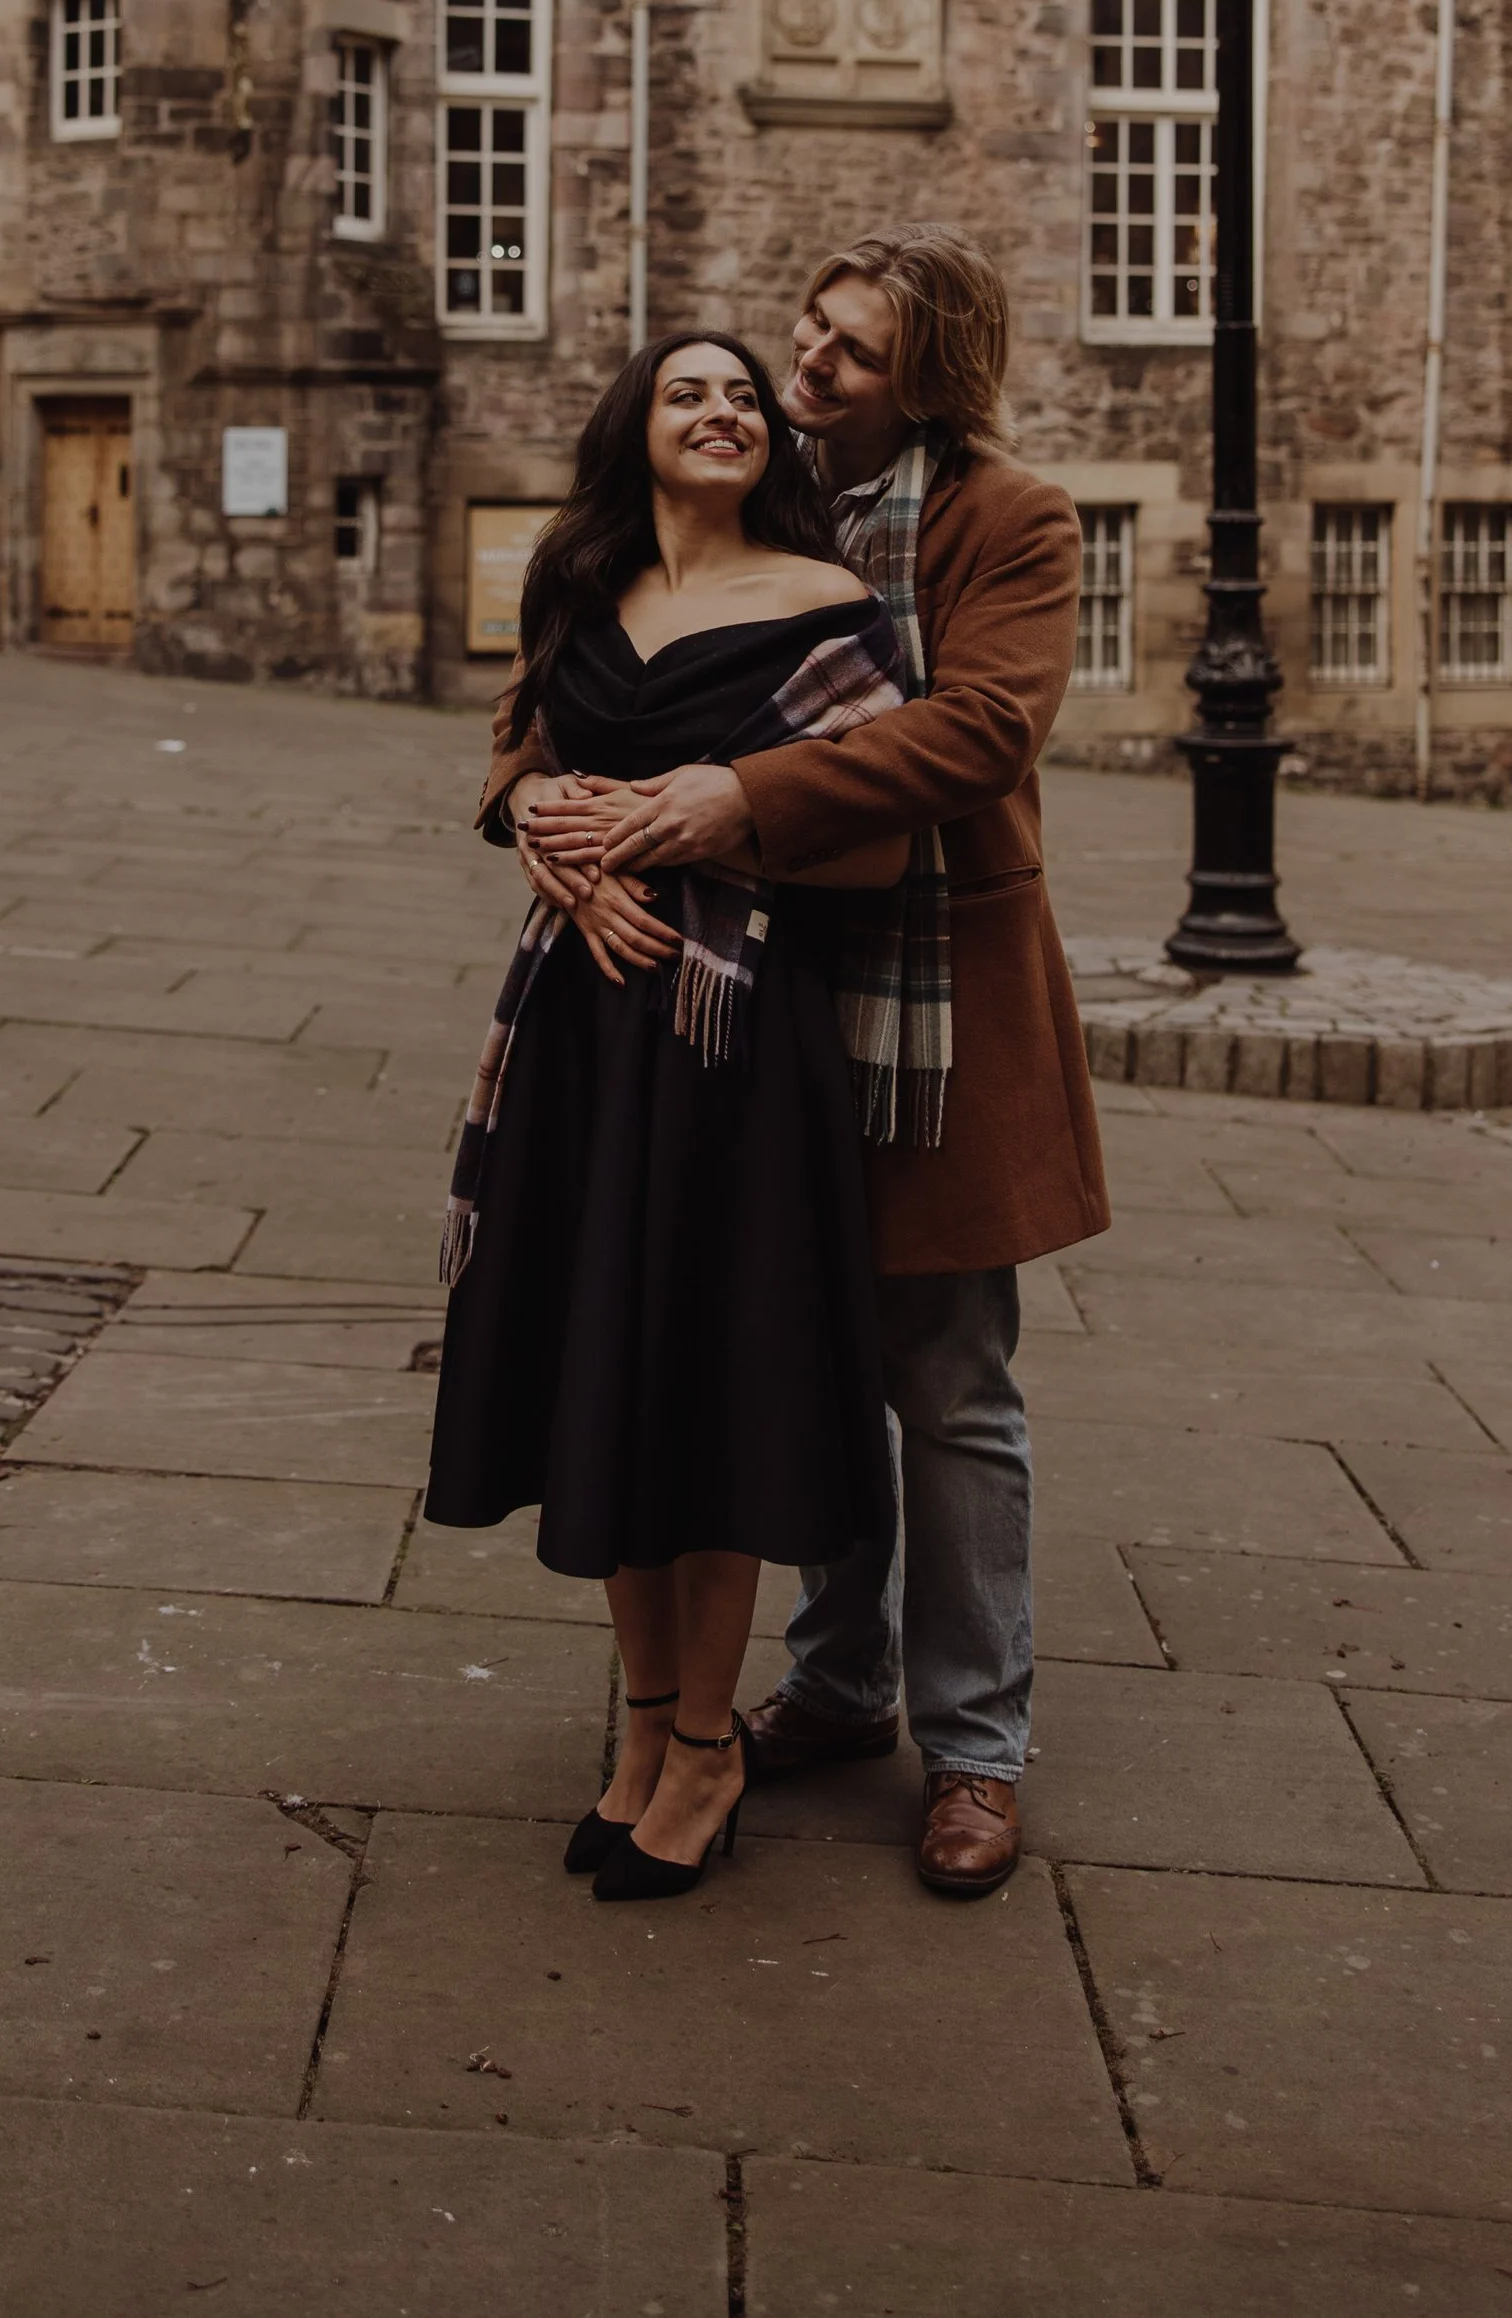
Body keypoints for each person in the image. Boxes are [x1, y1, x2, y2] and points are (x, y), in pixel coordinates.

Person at [502, 227, 1108, 1899]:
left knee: (949, 1382)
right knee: (794, 1354)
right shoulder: (752, 507)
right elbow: (555, 716)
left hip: (926, 1011)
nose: (803, 364)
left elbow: (982, 726)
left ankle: (975, 1745)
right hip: (742, 1007)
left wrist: (735, 802)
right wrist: (544, 829)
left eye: (844, 348)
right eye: (804, 335)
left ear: (931, 372)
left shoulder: (1010, 519)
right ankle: (838, 1684)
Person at [424, 330, 915, 1904]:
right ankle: (640, 1727)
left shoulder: (834, 609)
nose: (724, 410)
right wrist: (544, 835)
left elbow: (882, 842)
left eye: (745, 395)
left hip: (734, 1049)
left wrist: (711, 825)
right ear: (635, 425)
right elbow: (525, 756)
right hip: (580, 1034)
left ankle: (710, 1742)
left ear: (774, 439)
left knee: (709, 1393)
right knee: (608, 1377)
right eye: (689, 389)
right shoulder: (580, 582)